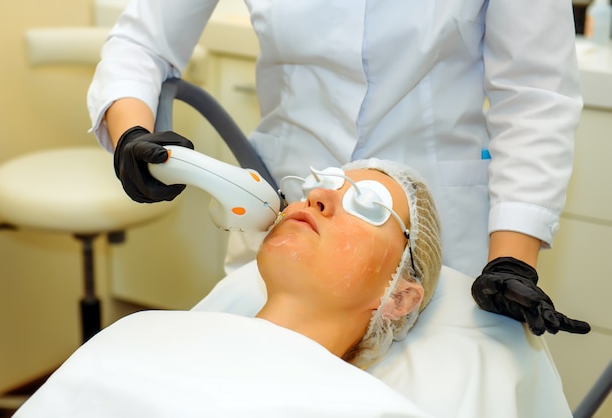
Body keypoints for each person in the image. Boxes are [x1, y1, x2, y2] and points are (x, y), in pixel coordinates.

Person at [89, 0, 590, 336]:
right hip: (286, 214)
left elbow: (535, 93)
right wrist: (132, 134)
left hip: (441, 231)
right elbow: (142, 43)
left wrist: (512, 260)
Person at [12, 159, 443, 417]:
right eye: (322, 185)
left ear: (400, 298)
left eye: (366, 206)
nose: (318, 199)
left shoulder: (369, 410)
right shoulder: (139, 331)